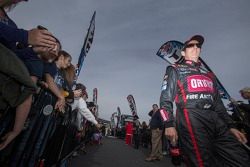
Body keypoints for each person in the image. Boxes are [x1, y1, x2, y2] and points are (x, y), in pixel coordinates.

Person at [160, 35, 249, 166]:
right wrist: (169, 124)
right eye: (191, 45)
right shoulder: (175, 69)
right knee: (201, 162)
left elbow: (218, 104)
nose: (195, 47)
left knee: (241, 159)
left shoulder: (209, 75)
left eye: (198, 46)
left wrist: (231, 125)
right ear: (183, 52)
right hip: (191, 117)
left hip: (215, 119)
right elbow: (165, 98)